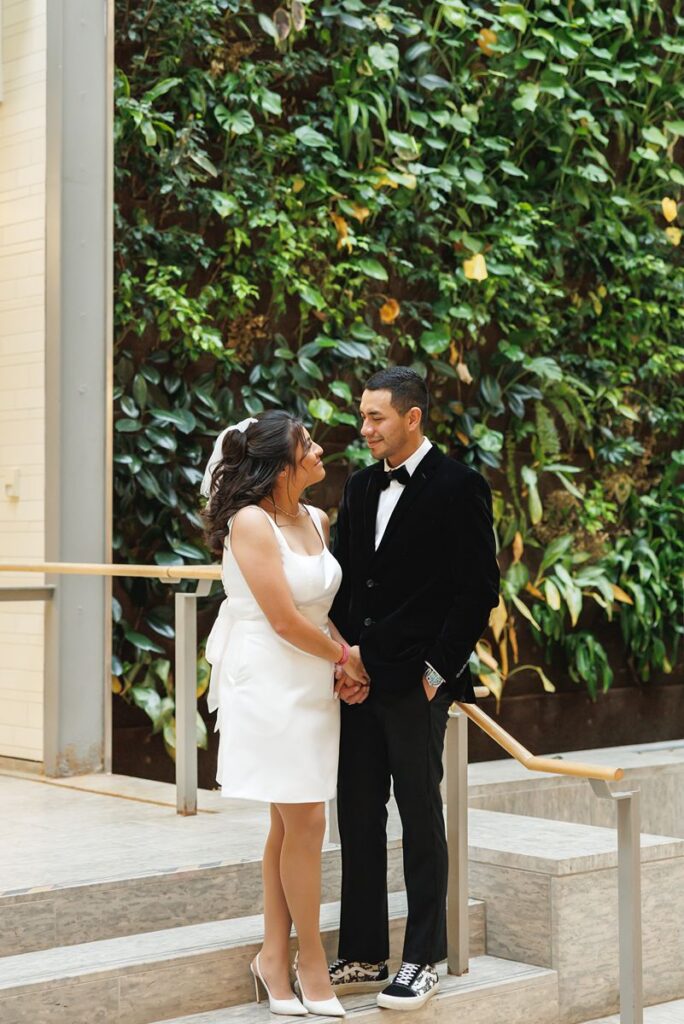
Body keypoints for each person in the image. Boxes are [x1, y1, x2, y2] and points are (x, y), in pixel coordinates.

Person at [328, 367, 500, 1011]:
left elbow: (477, 589)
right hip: (359, 681)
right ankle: (364, 951)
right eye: (363, 415)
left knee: (420, 817)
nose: (364, 428)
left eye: (376, 417)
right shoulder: (361, 485)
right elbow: (349, 582)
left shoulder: (461, 486)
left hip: (418, 684)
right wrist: (344, 662)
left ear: (413, 418)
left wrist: (435, 673)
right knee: (358, 814)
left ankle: (422, 956)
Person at [202, 409, 368, 1018]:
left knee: (289, 823)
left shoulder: (318, 518)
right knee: (306, 823)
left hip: (311, 678)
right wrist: (347, 659)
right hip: (267, 680)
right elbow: (280, 618)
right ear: (279, 463)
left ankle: (273, 958)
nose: (322, 450)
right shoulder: (249, 522)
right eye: (308, 444)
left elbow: (320, 609)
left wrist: (338, 662)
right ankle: (312, 961)